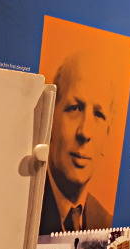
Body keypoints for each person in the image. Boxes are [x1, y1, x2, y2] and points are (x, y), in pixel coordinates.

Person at [39, 52, 114, 235]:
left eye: (98, 114)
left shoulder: (106, 222)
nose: (85, 132)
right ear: (51, 119)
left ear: (107, 135)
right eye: (75, 108)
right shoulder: (24, 206)